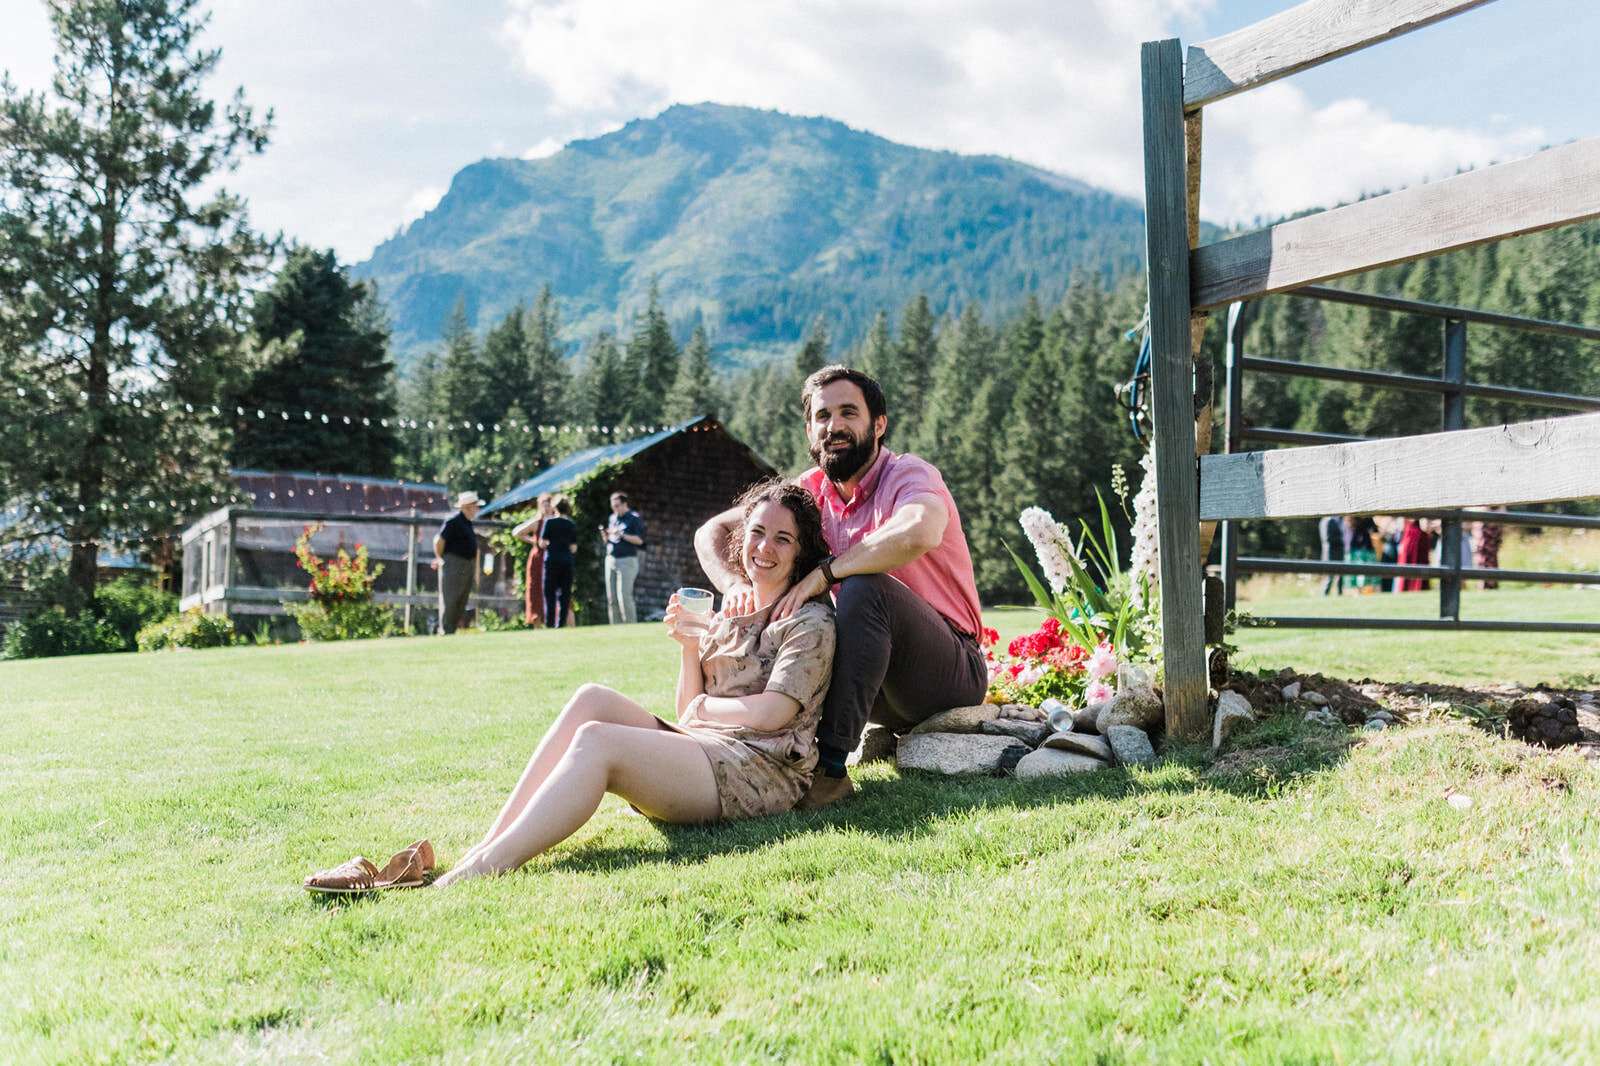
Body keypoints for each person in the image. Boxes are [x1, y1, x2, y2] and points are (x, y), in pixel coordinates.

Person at [433, 479, 835, 885]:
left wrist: (701, 710)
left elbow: (772, 712)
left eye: (783, 539)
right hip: (709, 747)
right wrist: (689, 646)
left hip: (763, 769)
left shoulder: (810, 622)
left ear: (801, 551)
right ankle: (487, 843)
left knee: (598, 740)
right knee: (591, 698)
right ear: (743, 537)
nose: (765, 548)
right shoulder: (733, 608)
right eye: (758, 533)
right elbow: (687, 710)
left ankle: (487, 868)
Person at [694, 365, 987, 811]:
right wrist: (734, 584)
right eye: (822, 416)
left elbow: (919, 532)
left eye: (848, 412)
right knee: (807, 616)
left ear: (879, 424)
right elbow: (712, 532)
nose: (835, 426)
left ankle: (830, 771)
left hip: (946, 674)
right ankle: (742, 744)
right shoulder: (808, 494)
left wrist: (826, 573)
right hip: (870, 684)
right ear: (810, 431)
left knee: (864, 586)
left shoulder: (910, 476)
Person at [434, 490, 481, 634]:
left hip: (466, 564)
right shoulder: (453, 521)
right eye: (475, 506)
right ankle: (446, 629)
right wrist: (440, 558)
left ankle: (452, 629)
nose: (477, 509)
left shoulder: (467, 523)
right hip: (454, 563)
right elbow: (439, 541)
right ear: (466, 506)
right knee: (451, 598)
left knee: (461, 599)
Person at [512, 494, 556, 627]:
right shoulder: (537, 522)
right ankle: (537, 624)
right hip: (538, 560)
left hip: (553, 559)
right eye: (544, 505)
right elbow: (517, 532)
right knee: (535, 591)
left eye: (549, 505)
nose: (547, 508)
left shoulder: (556, 521)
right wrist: (533, 541)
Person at [603, 491, 646, 624]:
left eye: (617, 505)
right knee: (612, 598)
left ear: (624, 504)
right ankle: (615, 626)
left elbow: (639, 540)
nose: (615, 509)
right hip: (611, 559)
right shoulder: (612, 518)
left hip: (627, 560)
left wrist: (622, 535)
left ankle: (630, 624)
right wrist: (605, 535)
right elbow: (610, 540)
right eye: (613, 506)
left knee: (624, 596)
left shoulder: (634, 518)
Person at [539, 496, 578, 628]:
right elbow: (573, 548)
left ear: (555, 507)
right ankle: (561, 624)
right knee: (565, 594)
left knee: (550, 594)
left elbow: (542, 543)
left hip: (551, 561)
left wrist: (551, 544)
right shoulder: (571, 524)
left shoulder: (549, 523)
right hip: (566, 562)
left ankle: (550, 623)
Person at [1319, 514, 1346, 595]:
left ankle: (1339, 593)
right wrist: (1341, 540)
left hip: (1335, 551)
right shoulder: (1329, 521)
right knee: (1329, 577)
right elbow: (1327, 537)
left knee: (1339, 575)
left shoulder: (1326, 520)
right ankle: (1326, 594)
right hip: (1331, 552)